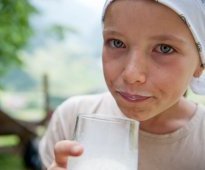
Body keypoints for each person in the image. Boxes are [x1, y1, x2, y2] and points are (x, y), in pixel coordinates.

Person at [39, 0, 205, 169]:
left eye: (164, 48)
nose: (131, 75)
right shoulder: (71, 118)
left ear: (200, 63)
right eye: (117, 43)